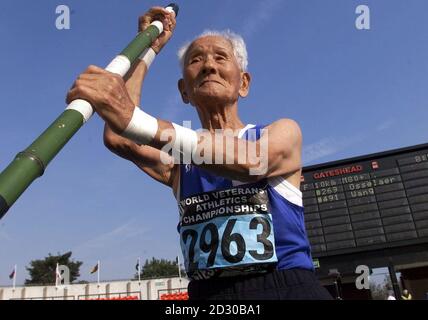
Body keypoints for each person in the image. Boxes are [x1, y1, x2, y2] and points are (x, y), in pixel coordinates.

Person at [66, 7, 332, 300]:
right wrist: (148, 48)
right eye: (196, 60)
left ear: (243, 83)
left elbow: (252, 161)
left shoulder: (280, 132)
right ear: (184, 91)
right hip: (207, 295)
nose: (208, 66)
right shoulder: (180, 162)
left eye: (220, 57)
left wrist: (132, 117)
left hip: (286, 287)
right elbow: (120, 136)